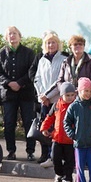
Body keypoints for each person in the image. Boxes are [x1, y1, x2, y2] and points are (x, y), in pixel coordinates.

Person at [0, 26, 38, 161]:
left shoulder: (29, 53)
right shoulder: (1, 53)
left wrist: (20, 83)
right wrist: (9, 83)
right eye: (9, 34)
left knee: (29, 122)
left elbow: (32, 71)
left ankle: (30, 151)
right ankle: (11, 151)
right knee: (9, 123)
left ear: (19, 36)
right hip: (8, 94)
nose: (12, 36)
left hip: (26, 93)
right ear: (6, 37)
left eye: (14, 33)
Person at [34, 31, 67, 166]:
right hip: (44, 100)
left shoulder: (63, 59)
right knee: (45, 128)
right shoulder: (42, 60)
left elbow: (60, 80)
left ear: (58, 44)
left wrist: (48, 95)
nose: (51, 45)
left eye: (53, 42)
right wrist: (42, 95)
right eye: (48, 43)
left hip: (56, 99)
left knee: (57, 129)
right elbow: (37, 79)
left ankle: (57, 157)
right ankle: (46, 154)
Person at [41, 82, 77, 182]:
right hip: (57, 138)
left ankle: (67, 179)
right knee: (55, 158)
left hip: (70, 140)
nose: (70, 97)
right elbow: (49, 118)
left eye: (72, 95)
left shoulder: (76, 106)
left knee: (69, 161)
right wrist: (44, 128)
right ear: (62, 95)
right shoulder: (56, 105)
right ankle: (59, 175)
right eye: (68, 95)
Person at [52, 35, 91, 105]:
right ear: (70, 47)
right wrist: (65, 91)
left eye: (80, 44)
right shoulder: (66, 62)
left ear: (84, 47)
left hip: (85, 99)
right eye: (75, 44)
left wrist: (79, 91)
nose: (78, 46)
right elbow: (60, 81)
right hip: (68, 98)